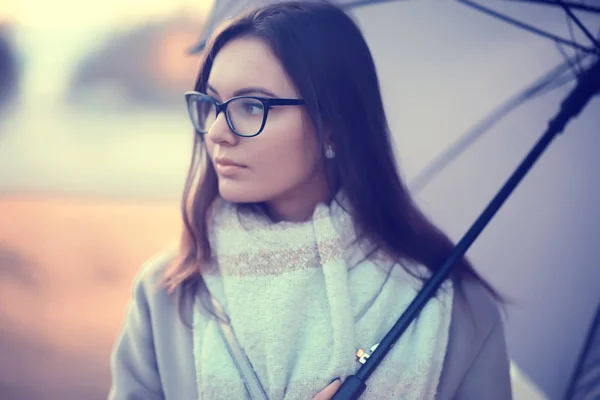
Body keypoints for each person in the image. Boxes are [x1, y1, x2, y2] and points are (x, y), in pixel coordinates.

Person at [108, 1, 513, 399]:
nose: (216, 132)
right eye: (212, 103)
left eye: (252, 106)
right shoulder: (167, 295)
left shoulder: (450, 306)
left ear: (333, 126)